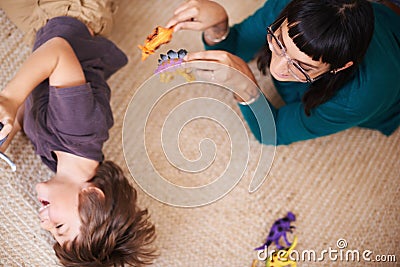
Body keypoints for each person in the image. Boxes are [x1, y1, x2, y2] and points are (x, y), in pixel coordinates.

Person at [0, 0, 157, 266]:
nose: (44, 222)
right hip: (70, 9)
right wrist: (9, 98)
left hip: (41, 24)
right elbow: (58, 50)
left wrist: (6, 135)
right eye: (60, 226)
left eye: (51, 233)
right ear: (92, 197)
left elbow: (29, 111)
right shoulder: (81, 128)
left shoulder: (56, 160)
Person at [166, 0, 400, 145]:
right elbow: (237, 47)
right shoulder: (291, 9)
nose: (276, 68)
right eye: (279, 43)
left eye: (302, 66)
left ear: (339, 67)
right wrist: (218, 24)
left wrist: (247, 89)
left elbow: (273, 132)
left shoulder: (364, 94)